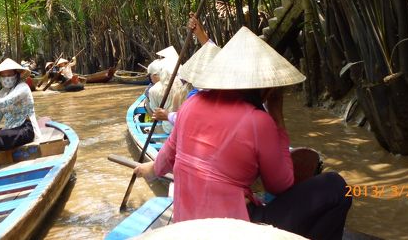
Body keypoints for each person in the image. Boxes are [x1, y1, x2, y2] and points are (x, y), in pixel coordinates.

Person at [134, 27, 351, 240]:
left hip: (188, 225)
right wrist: (277, 117)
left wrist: (148, 170)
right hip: (233, 230)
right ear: (266, 88)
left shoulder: (190, 105)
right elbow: (281, 185)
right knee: (336, 186)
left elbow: (165, 158)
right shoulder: (259, 121)